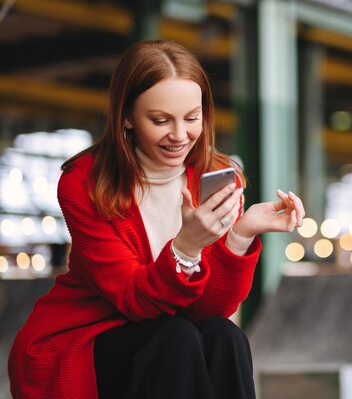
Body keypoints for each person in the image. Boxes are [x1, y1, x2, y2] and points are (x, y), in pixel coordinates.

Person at [7, 40, 305, 399]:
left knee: (225, 335)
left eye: (192, 118)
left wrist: (239, 235)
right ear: (127, 117)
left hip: (170, 340)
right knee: (175, 337)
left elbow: (208, 309)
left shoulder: (217, 176)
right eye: (161, 120)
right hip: (88, 337)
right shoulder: (84, 183)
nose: (180, 136)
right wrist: (187, 247)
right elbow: (135, 300)